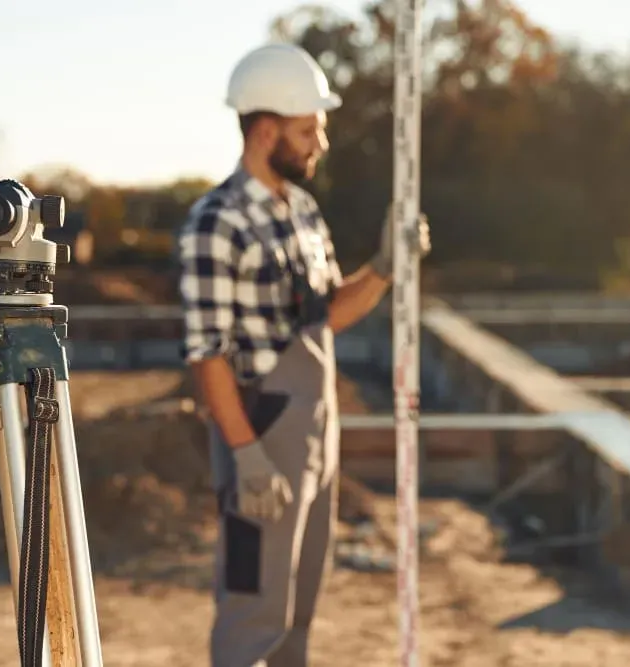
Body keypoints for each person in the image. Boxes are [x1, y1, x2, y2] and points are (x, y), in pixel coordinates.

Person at [175, 42, 431, 667]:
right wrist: (246, 456)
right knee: (253, 609)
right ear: (266, 130)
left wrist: (384, 269)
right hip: (262, 430)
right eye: (309, 129)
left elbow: (326, 316)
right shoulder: (217, 223)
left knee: (298, 610)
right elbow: (207, 354)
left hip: (317, 429)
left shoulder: (305, 213)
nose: (320, 143)